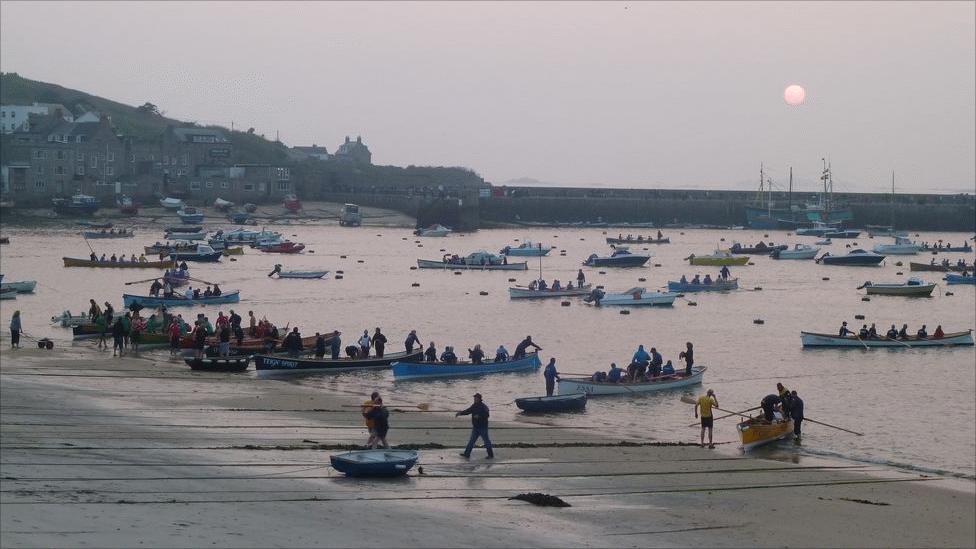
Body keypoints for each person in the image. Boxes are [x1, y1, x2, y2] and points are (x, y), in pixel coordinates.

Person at [457, 393, 493, 459]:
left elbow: (487, 415)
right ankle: (466, 454)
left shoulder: (484, 406)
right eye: (474, 398)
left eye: (476, 398)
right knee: (471, 441)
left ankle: (490, 455)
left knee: (486, 441)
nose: (475, 399)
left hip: (483, 428)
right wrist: (460, 413)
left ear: (479, 399)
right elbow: (468, 411)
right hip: (475, 427)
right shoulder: (474, 405)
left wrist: (479, 416)